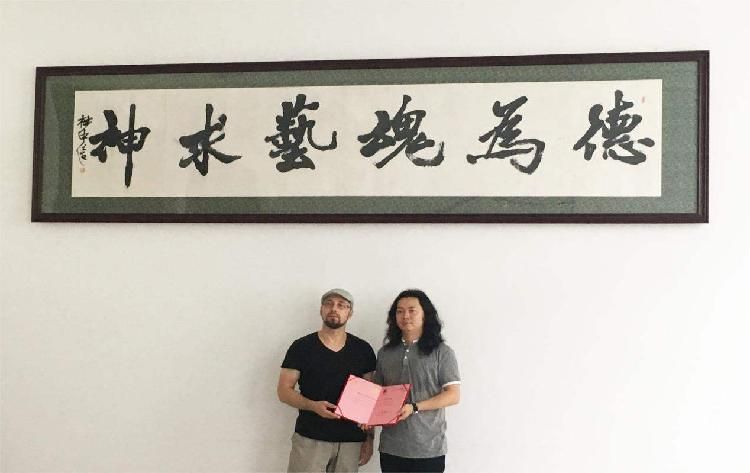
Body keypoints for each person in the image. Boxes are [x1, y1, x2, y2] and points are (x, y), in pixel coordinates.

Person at [278, 288, 376, 473]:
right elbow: (283, 391)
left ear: (350, 313)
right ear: (321, 309)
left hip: (350, 442)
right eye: (329, 304)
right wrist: (312, 406)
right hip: (310, 438)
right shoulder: (301, 347)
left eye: (341, 305)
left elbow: (370, 399)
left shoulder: (363, 350)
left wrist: (369, 439)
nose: (334, 309)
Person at [374, 289, 461, 473]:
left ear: (425, 315)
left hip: (428, 449)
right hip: (391, 448)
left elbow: (453, 395)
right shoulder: (384, 353)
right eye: (399, 311)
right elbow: (376, 394)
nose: (405, 316)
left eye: (412, 310)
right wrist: (365, 415)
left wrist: (414, 407)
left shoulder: (442, 352)